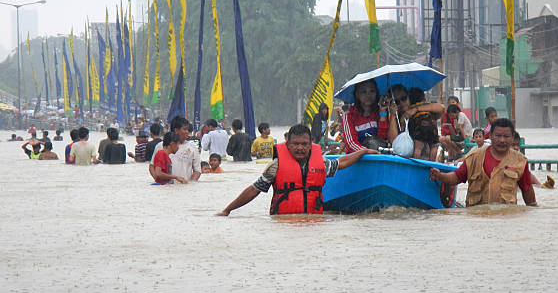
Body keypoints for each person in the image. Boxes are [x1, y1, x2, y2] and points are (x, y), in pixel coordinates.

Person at [218, 124, 378, 216]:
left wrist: (362, 151)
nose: (300, 148)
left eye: (304, 144)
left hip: (313, 224)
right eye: (295, 144)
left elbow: (341, 162)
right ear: (287, 144)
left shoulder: (320, 163)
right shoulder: (276, 166)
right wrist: (228, 210)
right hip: (284, 226)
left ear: (310, 145)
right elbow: (254, 190)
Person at [429, 118, 537, 207]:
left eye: (506, 136)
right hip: (477, 222)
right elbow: (456, 177)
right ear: (490, 136)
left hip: (506, 221)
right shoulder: (474, 157)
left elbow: (529, 198)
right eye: (498, 136)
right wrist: (440, 175)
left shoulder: (520, 161)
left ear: (512, 138)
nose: (502, 140)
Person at [342, 79, 389, 153]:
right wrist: (367, 152)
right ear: (357, 94)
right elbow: (351, 143)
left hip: (377, 156)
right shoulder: (349, 114)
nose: (368, 95)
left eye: (372, 91)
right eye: (364, 92)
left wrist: (383, 112)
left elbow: (382, 138)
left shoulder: (379, 111)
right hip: (356, 159)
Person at [149, 116, 200, 182]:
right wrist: (158, 181)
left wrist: (190, 184)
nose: (187, 132)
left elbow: (197, 171)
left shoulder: (192, 147)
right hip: (166, 188)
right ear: (176, 130)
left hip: (184, 188)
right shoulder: (161, 146)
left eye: (188, 129)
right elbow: (152, 166)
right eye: (184, 129)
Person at [404, 87, 445, 161]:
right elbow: (441, 108)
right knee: (434, 146)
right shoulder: (427, 106)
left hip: (420, 127)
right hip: (432, 126)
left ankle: (416, 164)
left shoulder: (411, 108)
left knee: (418, 147)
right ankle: (431, 164)